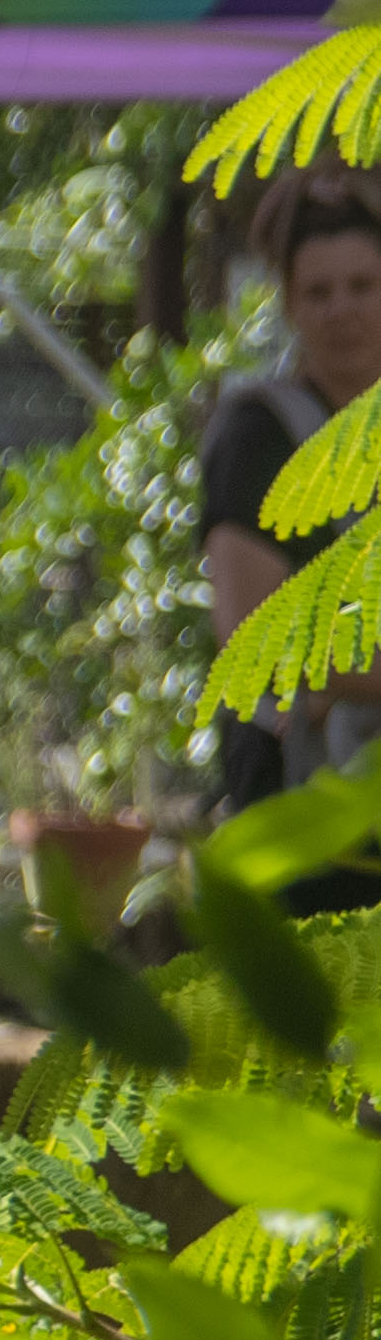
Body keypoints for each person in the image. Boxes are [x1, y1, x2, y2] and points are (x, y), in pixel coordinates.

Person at [203, 181, 381, 880]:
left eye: (364, 285)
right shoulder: (258, 437)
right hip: (306, 821)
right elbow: (256, 639)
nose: (343, 310)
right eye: (319, 292)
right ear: (288, 304)